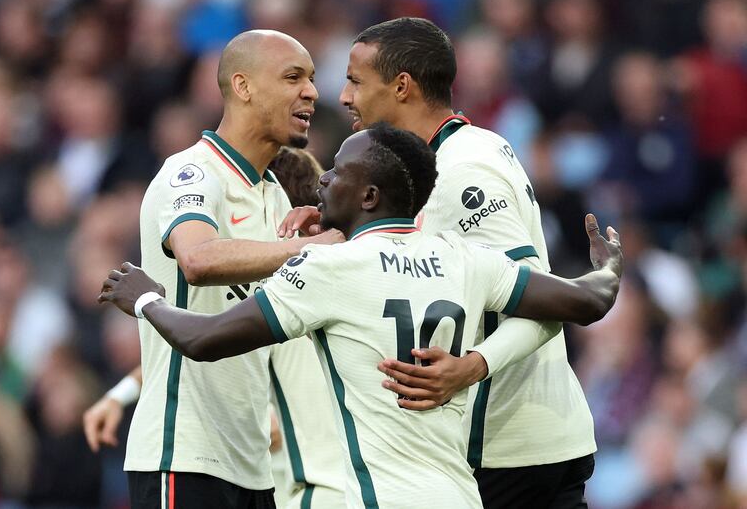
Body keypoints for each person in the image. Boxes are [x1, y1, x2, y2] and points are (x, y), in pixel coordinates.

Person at [99, 124, 622, 509]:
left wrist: (146, 298)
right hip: (460, 496)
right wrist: (609, 266)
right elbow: (588, 302)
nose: (323, 179)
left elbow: (206, 338)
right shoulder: (467, 259)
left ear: (370, 195)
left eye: (338, 172)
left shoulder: (330, 269)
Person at [277, 17, 600, 508]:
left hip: (514, 451)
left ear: (401, 86)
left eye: (356, 81)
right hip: (500, 447)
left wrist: (470, 367)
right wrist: (339, 230)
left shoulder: (464, 169)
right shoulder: (445, 157)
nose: (343, 96)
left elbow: (542, 299)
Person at [120, 29, 343, 509]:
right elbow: (197, 259)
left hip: (252, 463)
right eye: (292, 77)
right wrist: (313, 248)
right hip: (184, 453)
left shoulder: (274, 195)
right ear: (242, 87)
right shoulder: (193, 171)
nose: (312, 91)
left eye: (309, 78)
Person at [83, 143, 346, 508]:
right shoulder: (345, 283)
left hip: (307, 494)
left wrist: (145, 301)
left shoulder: (284, 300)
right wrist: (121, 393)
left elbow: (207, 337)